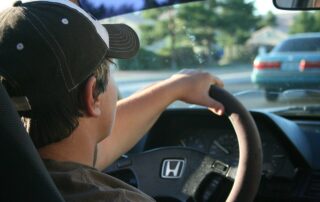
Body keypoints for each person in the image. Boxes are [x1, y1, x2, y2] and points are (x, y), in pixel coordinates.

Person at [0, 0, 224, 201]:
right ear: (92, 96)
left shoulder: (20, 175)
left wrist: (175, 87)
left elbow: (81, 149)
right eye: (110, 71)